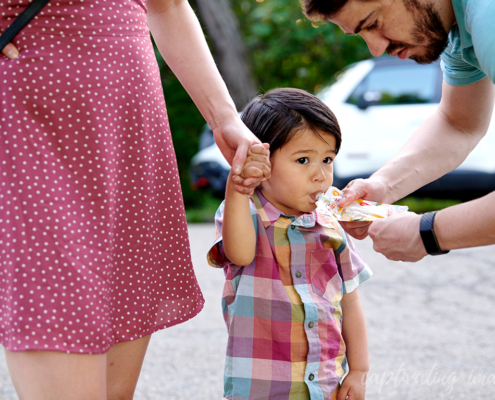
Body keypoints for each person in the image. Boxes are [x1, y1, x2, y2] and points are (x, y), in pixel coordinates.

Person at [0, 0, 266, 398]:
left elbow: (169, 6)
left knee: (113, 393)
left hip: (127, 133)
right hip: (34, 131)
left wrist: (224, 118)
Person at [208, 88, 373, 400]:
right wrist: (238, 187)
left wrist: (359, 370)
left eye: (327, 159)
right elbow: (240, 253)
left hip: (324, 383)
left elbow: (349, 301)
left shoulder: (331, 224)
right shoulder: (245, 212)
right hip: (263, 387)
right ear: (261, 161)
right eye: (303, 160)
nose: (320, 175)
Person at [301, 0, 495, 262]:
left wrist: (428, 232)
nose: (376, 49)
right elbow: (459, 123)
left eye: (373, 23)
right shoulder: (456, 31)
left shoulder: (488, 16)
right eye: (362, 33)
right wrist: (383, 185)